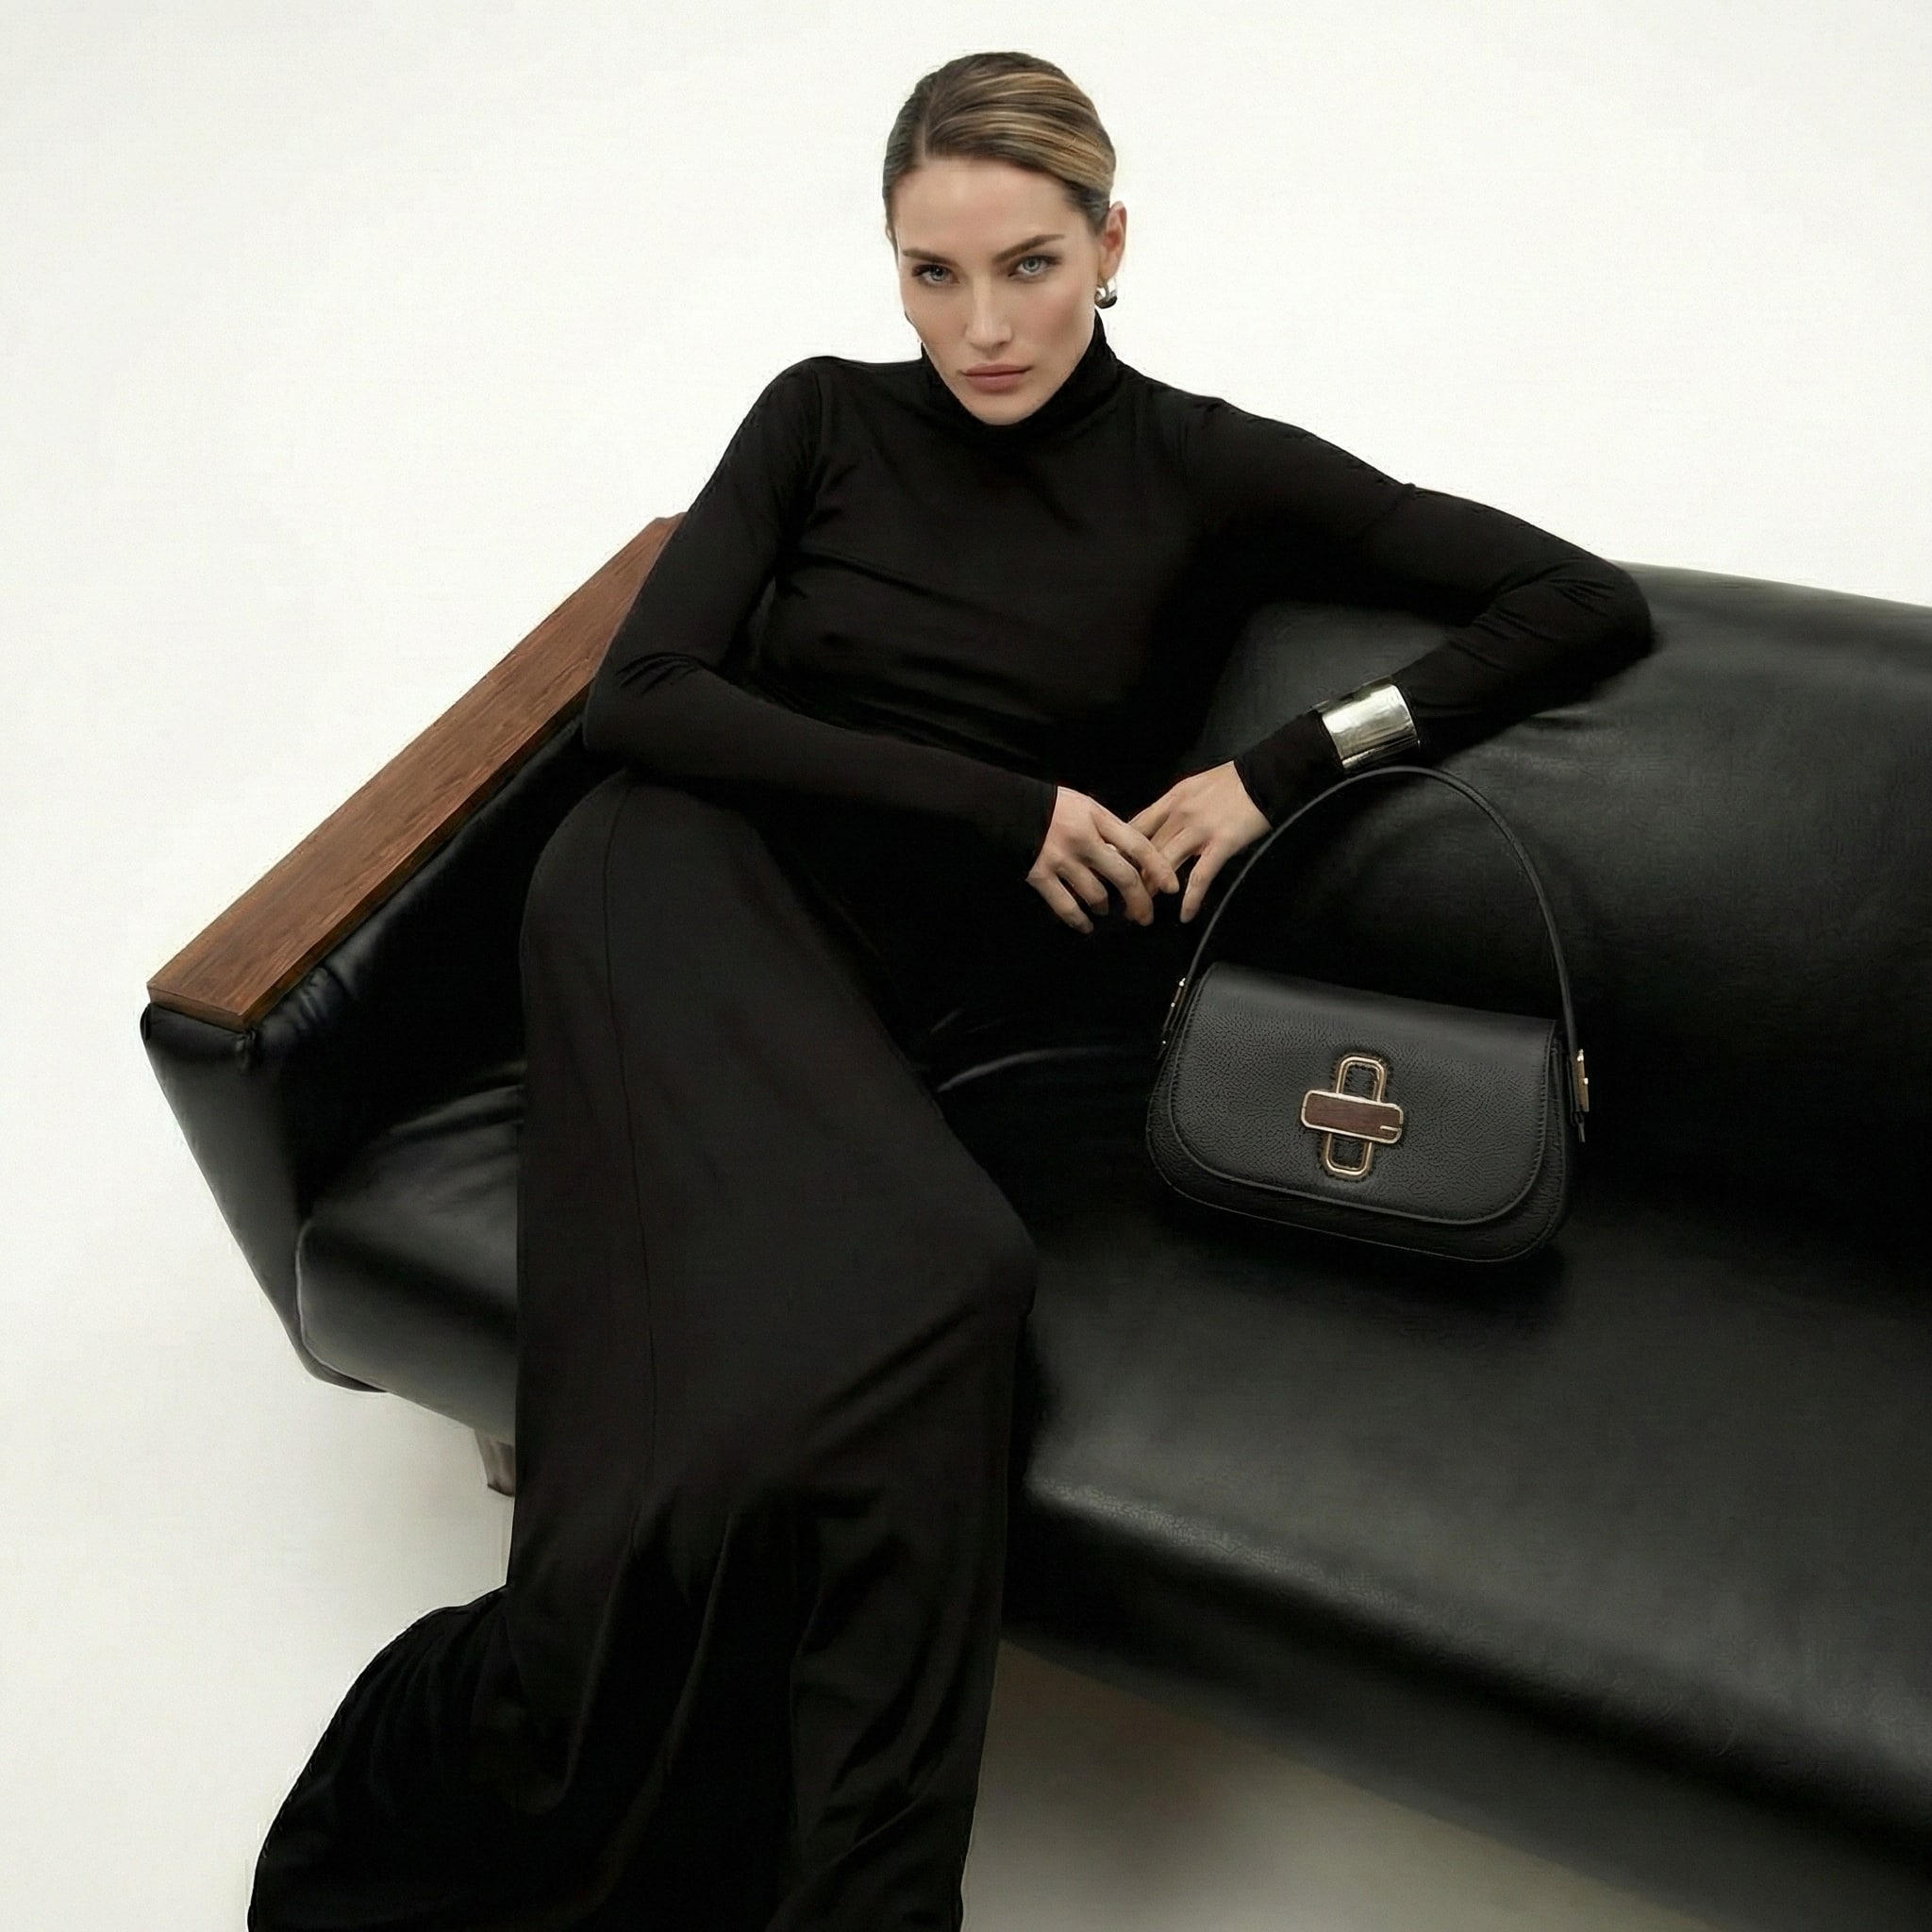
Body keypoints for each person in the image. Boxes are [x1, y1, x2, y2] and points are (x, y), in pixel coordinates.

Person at [248, 48, 1652, 1932]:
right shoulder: (823, 419)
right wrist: (1003, 808)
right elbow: (645, 703)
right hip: (672, 887)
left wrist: (1282, 766)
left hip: (892, 996)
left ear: (1112, 245)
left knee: (872, 1348)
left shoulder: (1202, 466)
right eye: (933, 272)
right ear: (892, 264)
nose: (981, 326)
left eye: (1029, 267)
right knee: (955, 1275)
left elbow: (1573, 601)